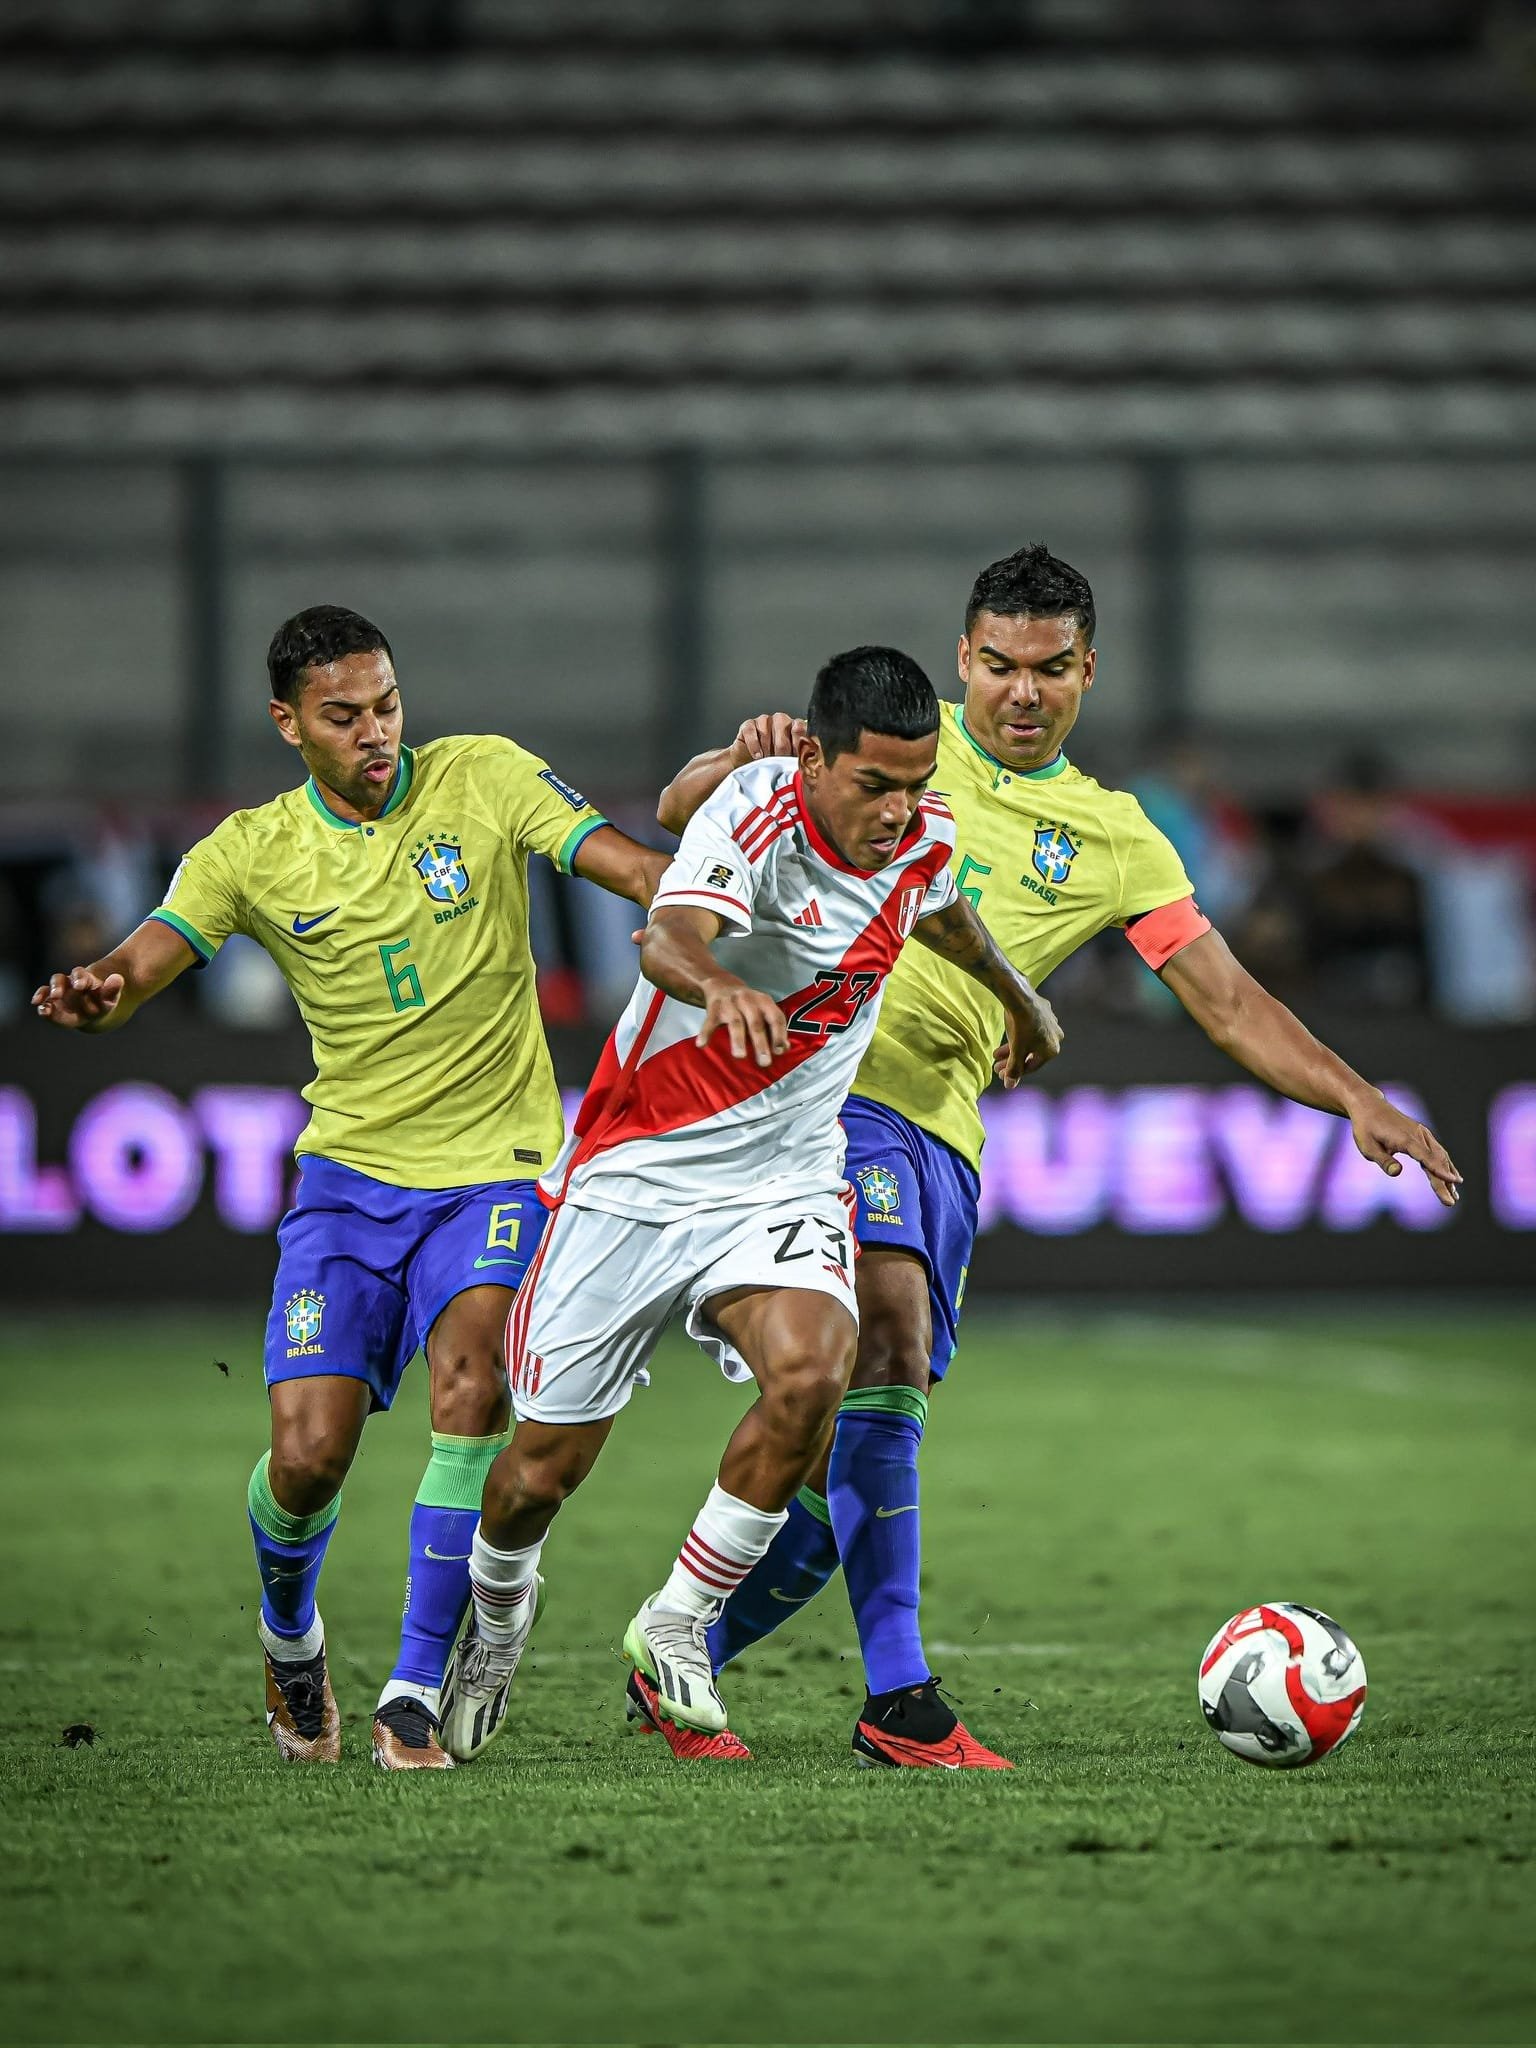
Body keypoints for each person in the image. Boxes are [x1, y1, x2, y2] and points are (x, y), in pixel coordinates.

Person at [660, 543, 1462, 1770]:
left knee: (850, 1448)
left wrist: (1359, 1095)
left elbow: (1230, 1001)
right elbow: (684, 813)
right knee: (887, 1332)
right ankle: (900, 1701)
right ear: (961, 660)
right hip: (823, 1088)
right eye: (996, 665)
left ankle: (686, 1650)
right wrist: (736, 755)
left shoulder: (1116, 838)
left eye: (1048, 668)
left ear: (1089, 668)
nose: (1019, 692)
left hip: (940, 1131)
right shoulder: (884, 734)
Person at [32, 605, 671, 1771]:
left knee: (473, 1388)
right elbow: (143, 964)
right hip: (347, 1186)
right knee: (307, 1455)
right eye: (343, 714)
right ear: (289, 722)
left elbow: (622, 861)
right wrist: (98, 990)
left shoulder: (485, 777)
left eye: (385, 704)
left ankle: (414, 1690)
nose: (375, 731)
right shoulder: (251, 850)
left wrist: (707, 897)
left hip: (497, 1168)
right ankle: (291, 1638)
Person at [434, 647, 1062, 1764]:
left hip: (782, 1172)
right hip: (637, 1171)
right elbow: (668, 933)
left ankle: (677, 1617)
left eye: (915, 784)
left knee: (823, 1365)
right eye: (874, 784)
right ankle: (497, 1613)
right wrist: (720, 982)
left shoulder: (921, 834)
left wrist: (1019, 997)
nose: (896, 810)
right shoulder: (756, 810)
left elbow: (942, 907)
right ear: (816, 759)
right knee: (538, 1473)